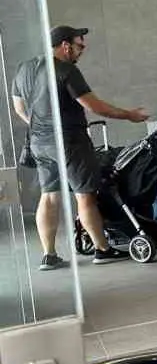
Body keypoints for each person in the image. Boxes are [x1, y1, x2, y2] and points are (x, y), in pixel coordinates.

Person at [10, 25, 148, 269]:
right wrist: (129, 115)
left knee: (49, 195)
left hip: (39, 144)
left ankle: (49, 255)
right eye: (79, 46)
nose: (82, 51)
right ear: (65, 46)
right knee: (85, 195)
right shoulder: (66, 70)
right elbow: (95, 106)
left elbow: (19, 107)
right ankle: (102, 250)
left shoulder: (24, 69)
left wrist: (42, 125)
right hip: (70, 142)